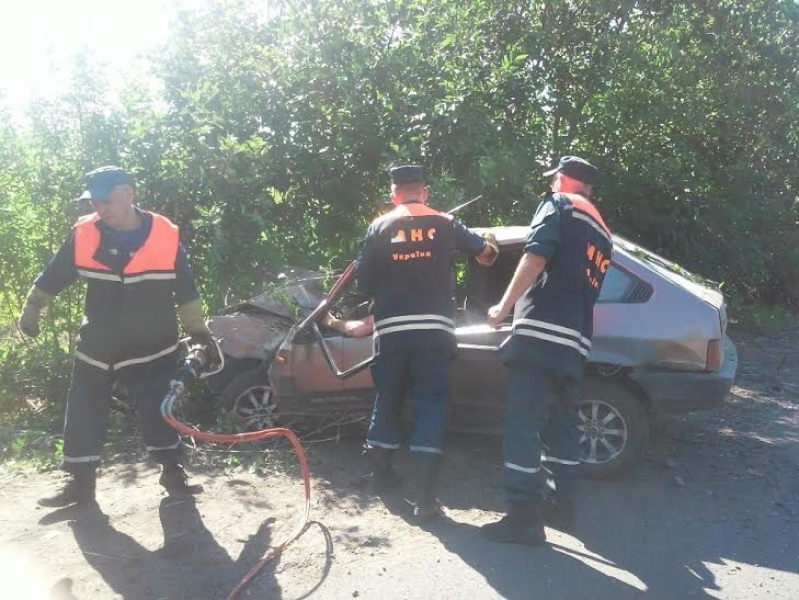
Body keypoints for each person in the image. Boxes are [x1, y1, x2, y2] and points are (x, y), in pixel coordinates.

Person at [18, 166, 213, 507]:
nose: (100, 209)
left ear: (128, 193)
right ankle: (80, 484)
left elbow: (186, 290)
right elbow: (55, 274)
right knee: (83, 409)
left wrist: (197, 330)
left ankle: (173, 472)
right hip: (98, 343)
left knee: (160, 407)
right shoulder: (85, 233)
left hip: (152, 344)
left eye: (106, 201)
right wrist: (33, 308)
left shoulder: (165, 236)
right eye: (94, 201)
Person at [346, 165, 498, 521]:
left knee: (389, 397)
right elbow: (487, 256)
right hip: (434, 330)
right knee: (431, 403)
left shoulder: (379, 226)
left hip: (392, 329)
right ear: (424, 192)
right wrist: (486, 242)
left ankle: (381, 475)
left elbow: (363, 283)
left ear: (394, 194)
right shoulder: (446, 223)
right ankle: (426, 499)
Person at [481, 156, 613, 546]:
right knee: (562, 427)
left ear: (561, 179)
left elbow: (535, 255)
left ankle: (523, 519)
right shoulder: (603, 231)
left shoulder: (559, 205)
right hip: (575, 344)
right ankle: (562, 506)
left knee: (522, 426)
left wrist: (502, 308)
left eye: (554, 179)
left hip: (539, 336)